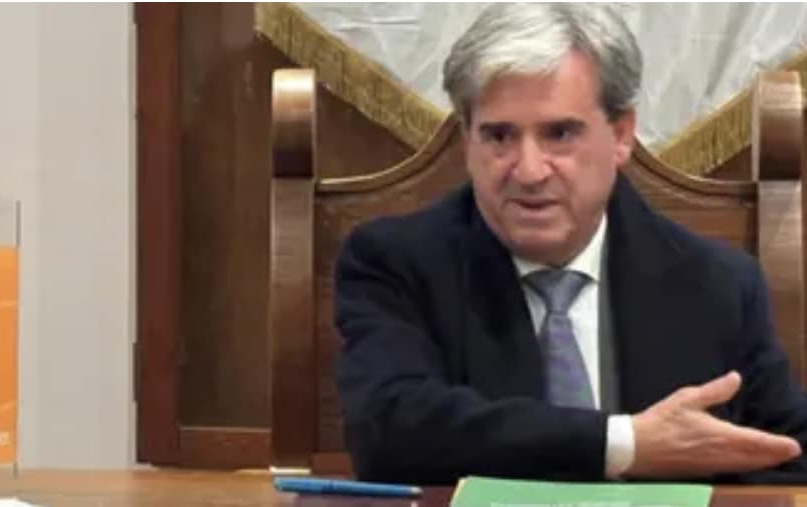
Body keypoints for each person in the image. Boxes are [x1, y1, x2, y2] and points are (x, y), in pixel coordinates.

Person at [333, 3, 807, 485]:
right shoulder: (396, 264)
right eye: (499, 136)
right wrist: (623, 445)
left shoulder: (717, 283)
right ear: (467, 142)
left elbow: (789, 457)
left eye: (559, 134)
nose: (529, 171)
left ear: (621, 135)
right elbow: (387, 432)